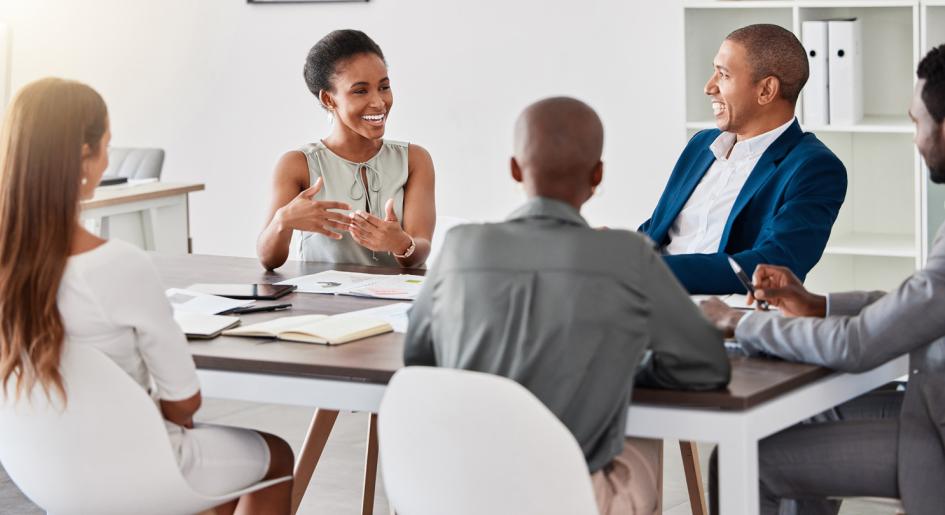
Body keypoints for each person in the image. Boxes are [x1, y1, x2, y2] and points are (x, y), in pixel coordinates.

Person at [404, 97, 730, 515]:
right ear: (598, 176)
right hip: (568, 500)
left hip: (455, 494)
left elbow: (418, 359)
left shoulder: (460, 246)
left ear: (515, 169)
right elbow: (707, 365)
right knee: (637, 431)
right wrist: (621, 366)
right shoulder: (628, 254)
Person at [0, 78, 294, 515]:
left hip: (39, 475)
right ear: (86, 156)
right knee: (275, 456)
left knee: (212, 485)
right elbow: (184, 404)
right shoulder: (116, 264)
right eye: (107, 147)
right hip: (132, 471)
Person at [700, 44, 945, 515]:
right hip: (929, 403)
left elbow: (857, 346)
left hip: (934, 430)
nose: (914, 139)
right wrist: (818, 305)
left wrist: (738, 322)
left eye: (918, 123)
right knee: (794, 417)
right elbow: (920, 304)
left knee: (744, 461)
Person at [639, 24, 847, 294]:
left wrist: (648, 270)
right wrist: (616, 251)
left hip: (719, 315)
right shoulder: (701, 145)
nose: (708, 87)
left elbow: (775, 264)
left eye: (723, 75)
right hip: (644, 299)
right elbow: (657, 230)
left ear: (766, 90)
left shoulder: (813, 167)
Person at [257, 29, 435, 270]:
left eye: (384, 87)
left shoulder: (414, 159)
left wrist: (401, 243)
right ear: (329, 100)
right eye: (361, 91)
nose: (379, 102)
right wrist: (283, 221)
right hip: (325, 302)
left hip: (396, 301)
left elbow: (419, 251)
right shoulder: (297, 164)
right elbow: (269, 260)